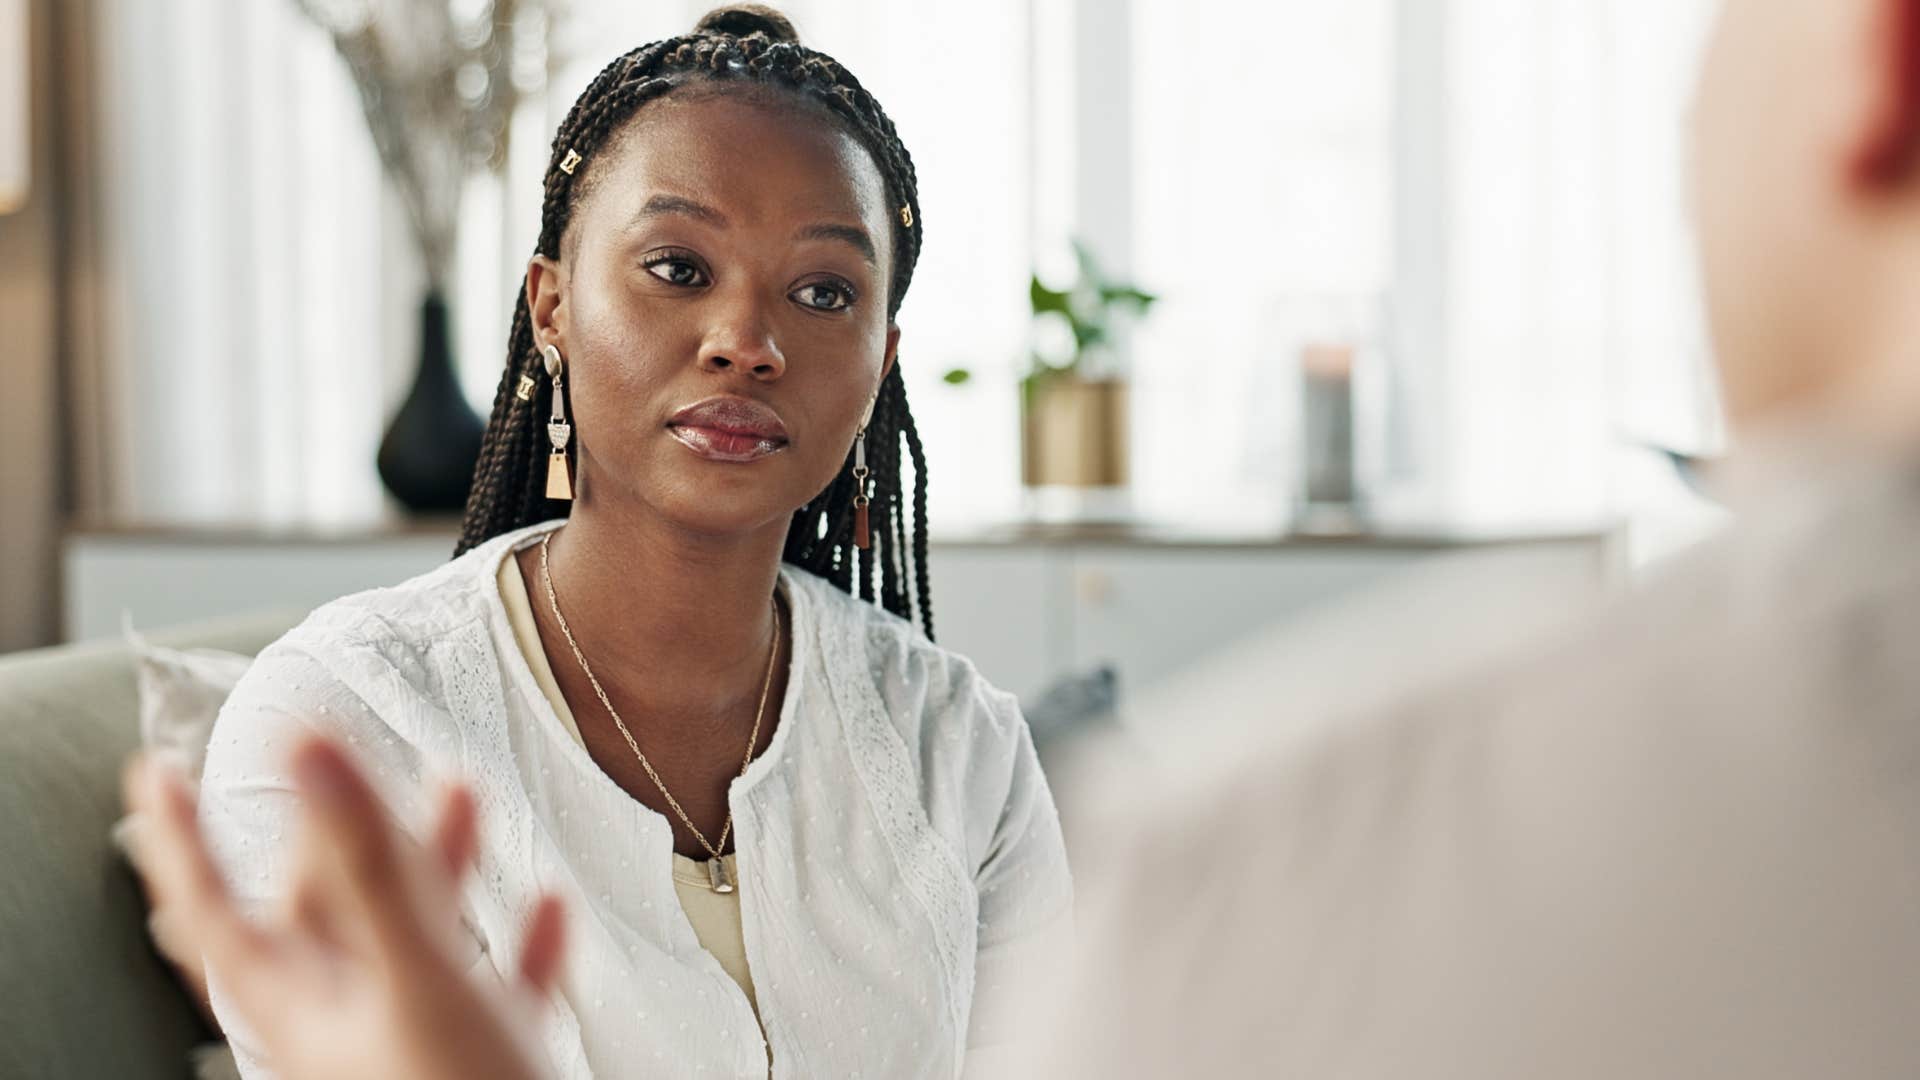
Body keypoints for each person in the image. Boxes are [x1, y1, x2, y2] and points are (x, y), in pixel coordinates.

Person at [193, 6, 1072, 1078]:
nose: (745, 343)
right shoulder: (344, 726)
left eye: (822, 291)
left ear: (880, 360)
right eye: (677, 267)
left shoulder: (960, 748)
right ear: (551, 305)